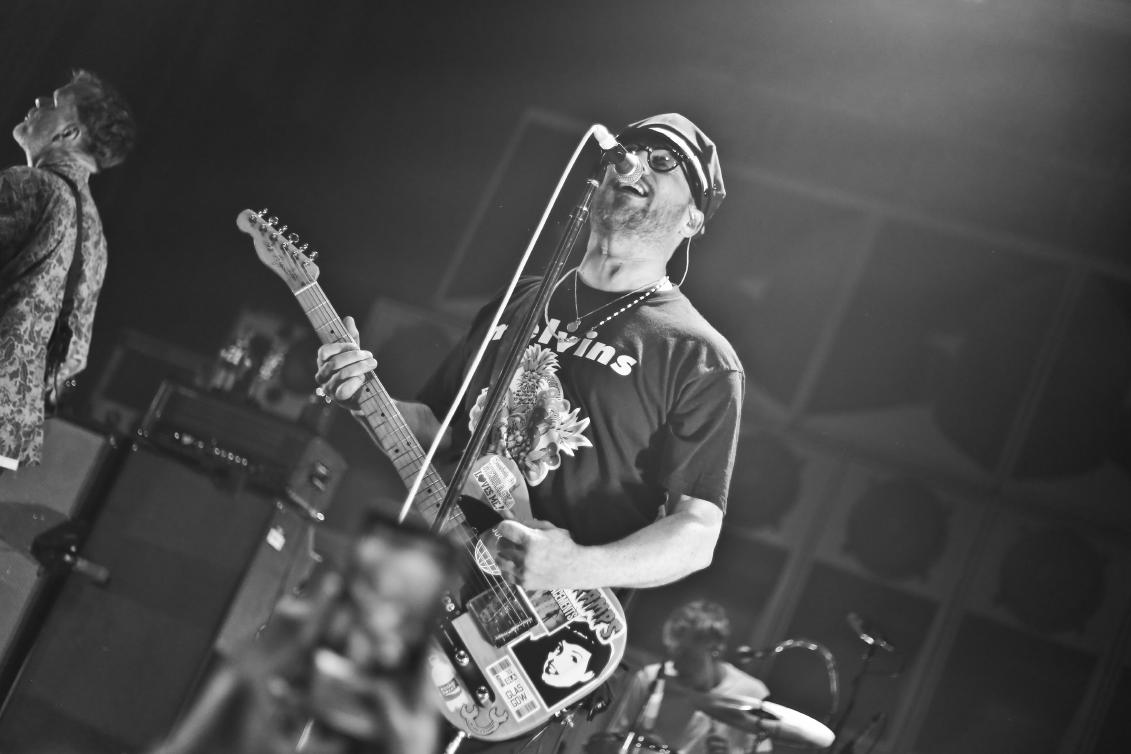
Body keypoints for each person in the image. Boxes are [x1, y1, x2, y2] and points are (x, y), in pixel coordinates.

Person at [315, 112, 741, 594]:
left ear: (692, 219)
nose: (636, 162)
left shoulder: (699, 355)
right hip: (437, 576)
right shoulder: (522, 298)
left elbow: (697, 532)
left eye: (663, 160)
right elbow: (439, 430)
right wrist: (364, 398)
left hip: (547, 616)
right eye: (629, 150)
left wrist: (577, 566)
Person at [0, 69, 136, 472]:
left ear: (69, 133)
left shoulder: (31, 187)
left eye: (54, 102)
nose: (39, 102)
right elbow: (74, 357)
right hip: (13, 431)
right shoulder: (95, 236)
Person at [608, 600, 771, 754]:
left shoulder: (752, 694)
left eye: (686, 655)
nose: (676, 666)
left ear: (715, 650)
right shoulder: (651, 679)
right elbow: (612, 742)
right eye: (673, 654)